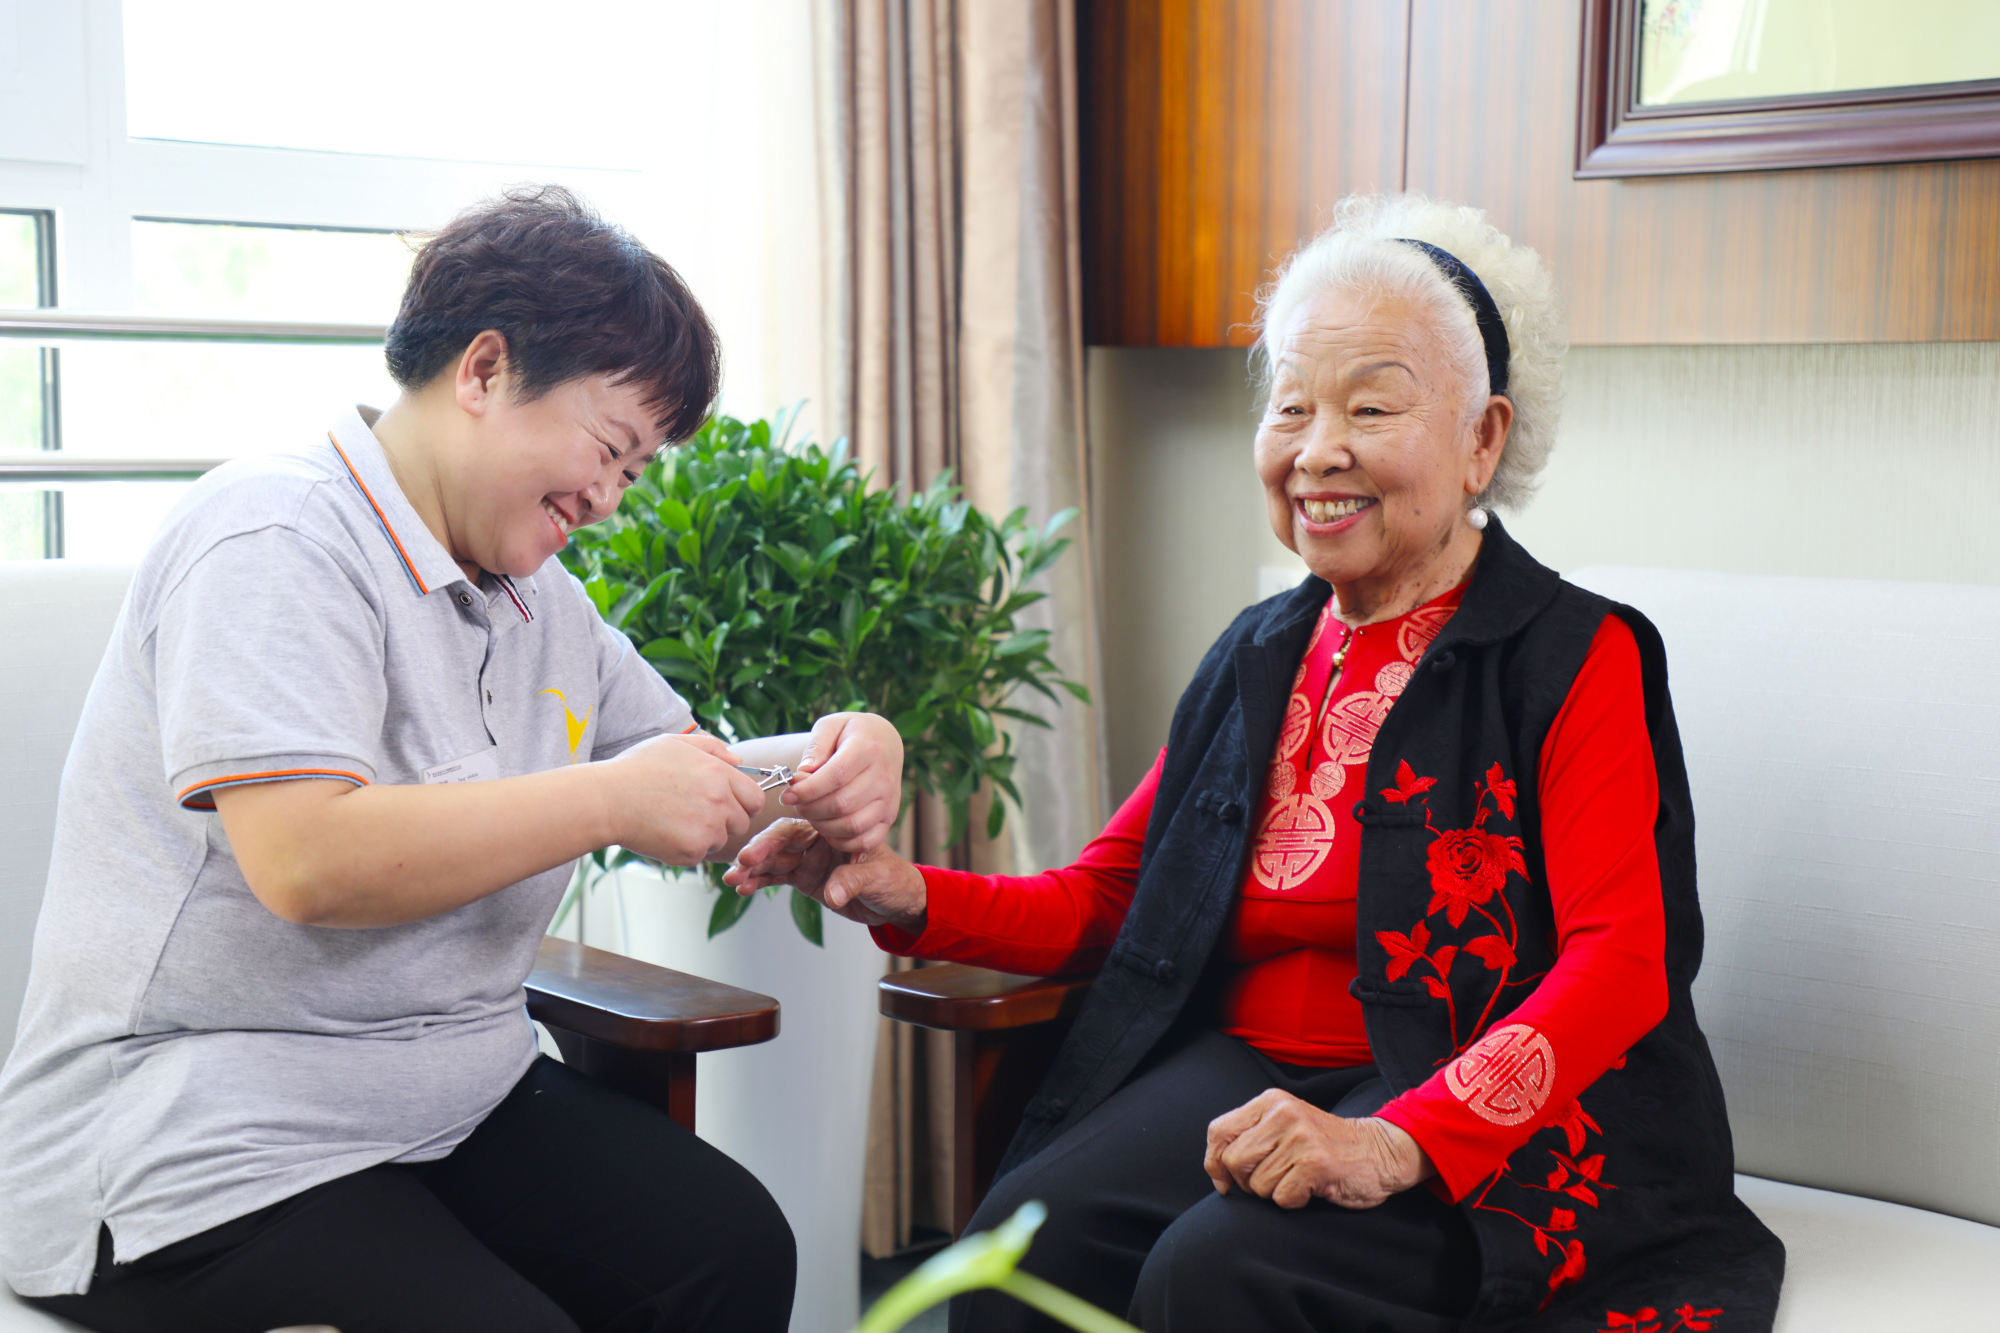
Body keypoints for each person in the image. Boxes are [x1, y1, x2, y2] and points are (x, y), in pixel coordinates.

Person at [732, 194, 1785, 1333]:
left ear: (1482, 437)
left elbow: (1621, 961)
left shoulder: (1575, 654)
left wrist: (1397, 1139)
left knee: (1218, 1269)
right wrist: (906, 891)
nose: (1317, 447)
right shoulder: (1262, 648)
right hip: (1251, 1071)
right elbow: (1116, 898)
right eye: (1290, 403)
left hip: (1473, 1103)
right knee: (1015, 1242)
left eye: (1370, 404)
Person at [0, 186, 902, 1333]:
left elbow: (689, 777)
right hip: (204, 1134)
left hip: (449, 1102)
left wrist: (838, 758)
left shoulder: (541, 602)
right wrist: (606, 796)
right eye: (610, 449)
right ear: (482, 371)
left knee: (728, 1248)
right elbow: (308, 861)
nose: (612, 501)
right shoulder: (274, 535)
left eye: (635, 474)